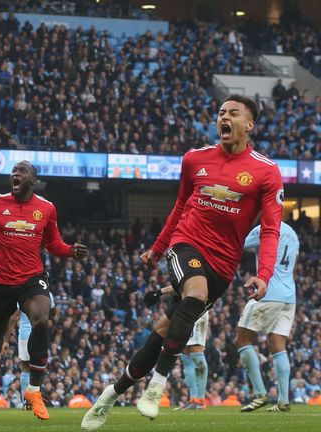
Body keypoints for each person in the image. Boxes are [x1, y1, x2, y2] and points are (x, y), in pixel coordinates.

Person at [82, 94, 284, 430]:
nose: (225, 117)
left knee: (163, 332)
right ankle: (158, 385)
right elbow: (179, 208)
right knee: (193, 294)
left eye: (233, 113)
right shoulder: (195, 159)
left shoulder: (266, 172)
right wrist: (159, 248)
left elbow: (271, 230)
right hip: (186, 244)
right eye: (221, 112)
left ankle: (110, 395)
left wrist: (263, 275)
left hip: (223, 265)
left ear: (249, 125)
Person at [0, 160, 88, 420]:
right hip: (0, 282)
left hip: (31, 279)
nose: (16, 174)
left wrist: (71, 250)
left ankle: (33, 390)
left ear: (33, 180)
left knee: (42, 321)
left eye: (22, 171)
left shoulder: (46, 208)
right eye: (14, 171)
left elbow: (54, 244)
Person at [237, 222, 299, 413]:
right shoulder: (293, 233)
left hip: (267, 292)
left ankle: (259, 394)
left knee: (242, 340)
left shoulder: (264, 227)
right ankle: (282, 401)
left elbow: (240, 243)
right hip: (289, 296)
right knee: (277, 345)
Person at [144, 286, 209, 410]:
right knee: (185, 354)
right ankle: (194, 399)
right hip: (184, 309)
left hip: (197, 308)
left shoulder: (195, 268)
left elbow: (183, 283)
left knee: (196, 350)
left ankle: (200, 400)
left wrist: (160, 292)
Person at [17, 292, 55, 409]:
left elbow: (14, 316)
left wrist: (6, 340)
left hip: (24, 333)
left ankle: (26, 402)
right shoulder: (47, 293)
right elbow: (53, 312)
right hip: (38, 333)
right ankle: (35, 400)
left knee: (25, 367)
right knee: (38, 368)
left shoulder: (23, 292)